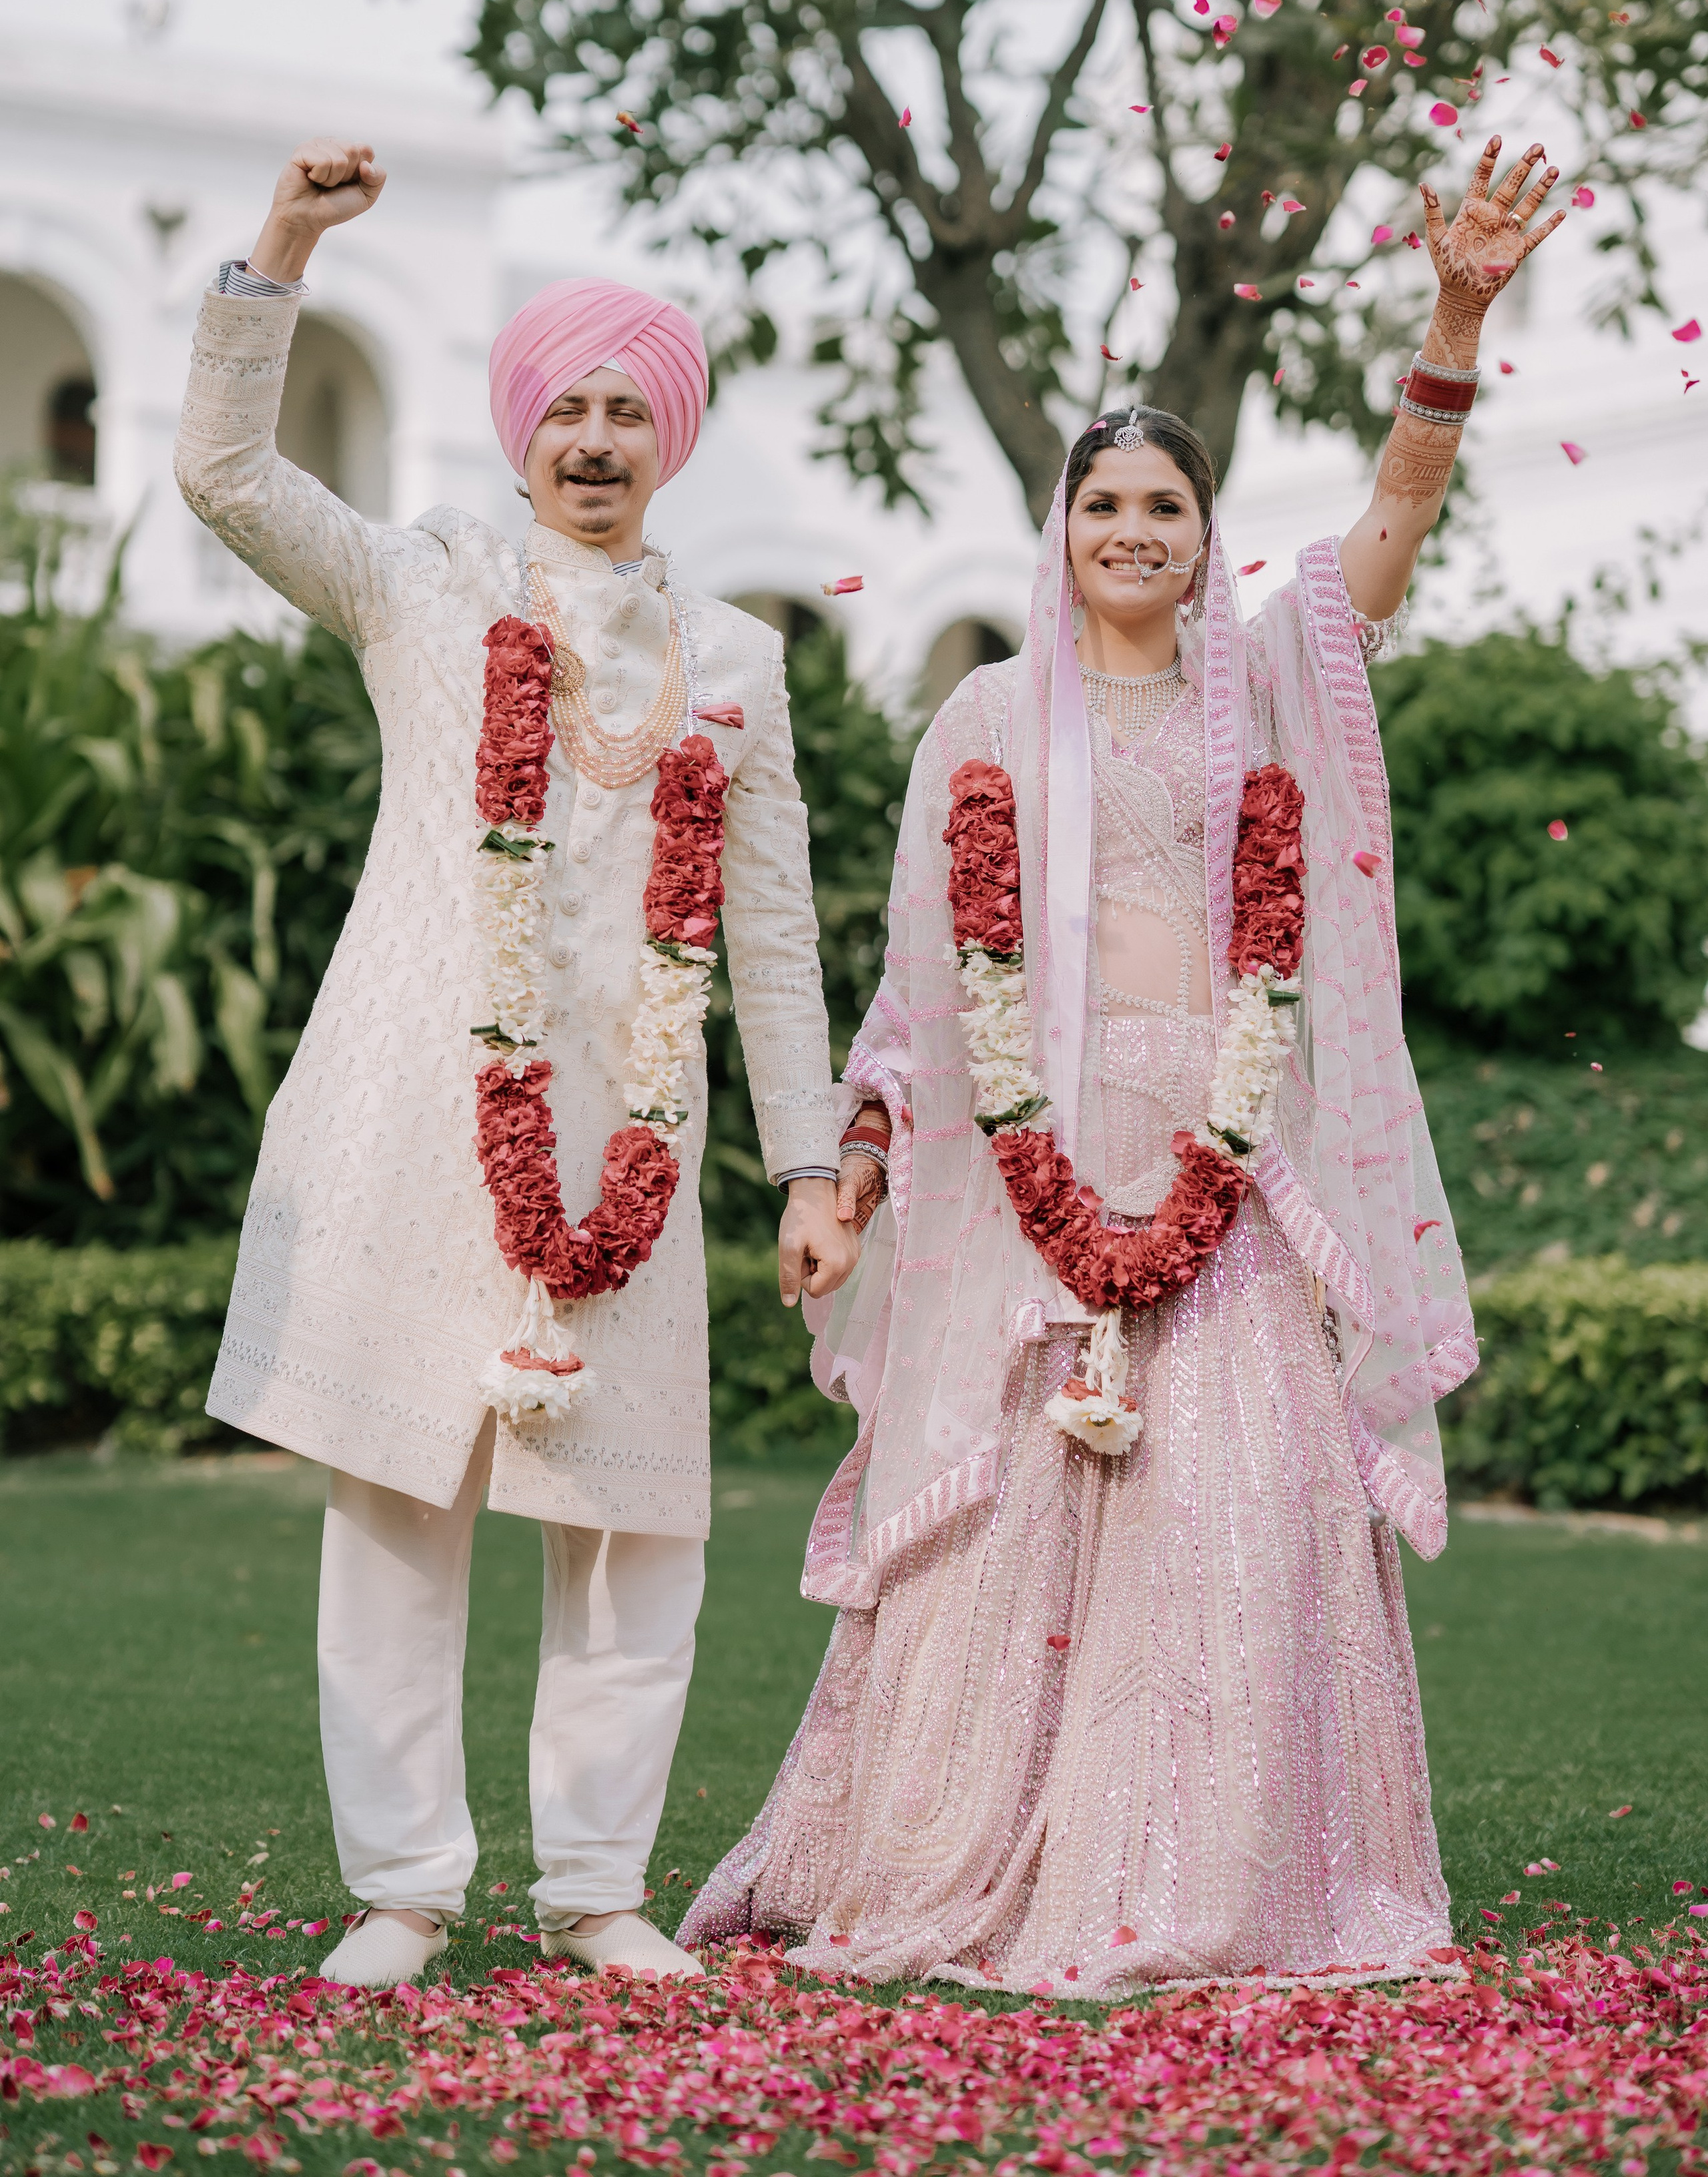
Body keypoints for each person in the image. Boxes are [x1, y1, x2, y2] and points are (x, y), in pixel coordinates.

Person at [684, 138, 1565, 1992]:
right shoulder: (990, 718)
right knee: (1005, 1513)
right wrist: (851, 1176)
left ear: (1204, 527)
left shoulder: (1263, 683)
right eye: (1108, 508)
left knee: (1248, 1503)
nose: (1137, 533)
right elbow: (922, 991)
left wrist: (1455, 324)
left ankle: (1233, 1877)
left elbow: (1390, 536)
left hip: (1227, 1152)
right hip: (1030, 1162)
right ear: (1061, 532)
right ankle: (971, 1857)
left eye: (1170, 504)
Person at [175, 138, 859, 1989]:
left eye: (631, 407)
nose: (596, 435)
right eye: (565, 403)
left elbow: (775, 936)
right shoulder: (429, 594)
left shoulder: (737, 659)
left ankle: (597, 1894)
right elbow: (227, 475)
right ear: (518, 431)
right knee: (401, 1510)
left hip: (629, 1139)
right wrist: (281, 251)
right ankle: (401, 1892)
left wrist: (809, 1164)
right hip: (425, 1117)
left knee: (634, 1528)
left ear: (675, 441)